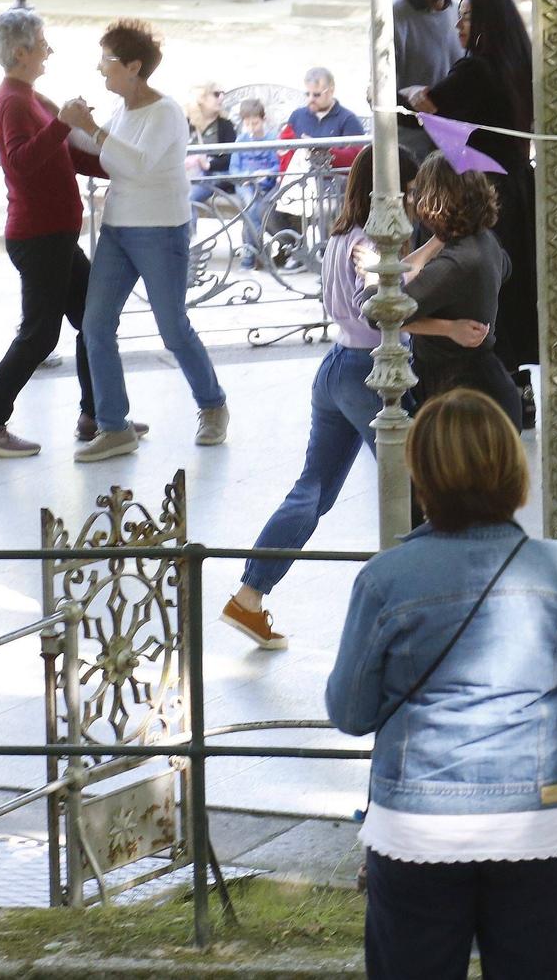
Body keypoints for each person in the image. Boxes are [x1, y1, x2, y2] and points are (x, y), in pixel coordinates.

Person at [326, 388, 557, 980]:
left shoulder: (386, 578)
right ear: (514, 470)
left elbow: (350, 711)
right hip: (539, 814)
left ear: (421, 476)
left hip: (419, 820)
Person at [221, 146, 430, 650]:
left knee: (312, 490)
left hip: (336, 366)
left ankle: (249, 595)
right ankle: (415, 607)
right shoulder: (369, 244)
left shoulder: (340, 237)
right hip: (372, 372)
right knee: (421, 485)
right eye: (411, 189)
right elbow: (378, 304)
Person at [63, 21, 230, 462]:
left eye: (107, 62)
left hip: (161, 230)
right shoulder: (123, 111)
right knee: (95, 324)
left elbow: (134, 163)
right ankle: (114, 426)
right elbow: (98, 148)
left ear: (134, 67)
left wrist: (92, 128)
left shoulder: (166, 112)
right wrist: (60, 121)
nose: (101, 70)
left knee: (173, 328)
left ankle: (213, 405)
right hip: (118, 229)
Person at [0, 9, 109, 459]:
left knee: (92, 318)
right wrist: (63, 122)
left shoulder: (31, 96)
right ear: (22, 51)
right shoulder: (12, 99)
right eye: (44, 43)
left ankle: (95, 416)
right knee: (40, 334)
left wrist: (127, 166)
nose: (50, 50)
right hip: (38, 236)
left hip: (55, 235)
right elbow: (23, 162)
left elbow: (66, 157)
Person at [411, 0, 542, 414]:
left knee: (484, 289)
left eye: (466, 17)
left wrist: (413, 96)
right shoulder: (522, 66)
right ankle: (519, 386)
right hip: (519, 188)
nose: (459, 25)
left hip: (483, 191)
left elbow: (432, 104)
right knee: (514, 288)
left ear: (486, 24)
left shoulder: (476, 70)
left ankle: (494, 380)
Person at [402, 156, 521, 430]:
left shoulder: (457, 263)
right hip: (482, 390)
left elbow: (381, 314)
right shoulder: (484, 241)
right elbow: (506, 268)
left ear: (433, 200)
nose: (411, 201)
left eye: (416, 193)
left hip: (463, 402)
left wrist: (373, 278)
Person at [393, 0, 466, 166]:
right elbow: (375, 94)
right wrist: (408, 92)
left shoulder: (459, 13)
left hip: (455, 149)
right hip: (411, 154)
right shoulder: (393, 16)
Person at [231, 98, 281, 270]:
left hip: (265, 185)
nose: (252, 128)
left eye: (255, 123)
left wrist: (267, 173)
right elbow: (234, 169)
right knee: (251, 209)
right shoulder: (241, 140)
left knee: (255, 212)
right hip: (245, 184)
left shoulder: (272, 138)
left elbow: (277, 165)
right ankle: (260, 250)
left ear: (263, 119)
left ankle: (250, 257)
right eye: (248, 124)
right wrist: (248, 176)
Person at [186, 83, 237, 208]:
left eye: (222, 94)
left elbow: (232, 158)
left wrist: (208, 165)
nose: (221, 98)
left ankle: (187, 228)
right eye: (216, 94)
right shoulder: (187, 123)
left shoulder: (226, 125)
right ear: (201, 97)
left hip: (214, 176)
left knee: (187, 200)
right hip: (187, 174)